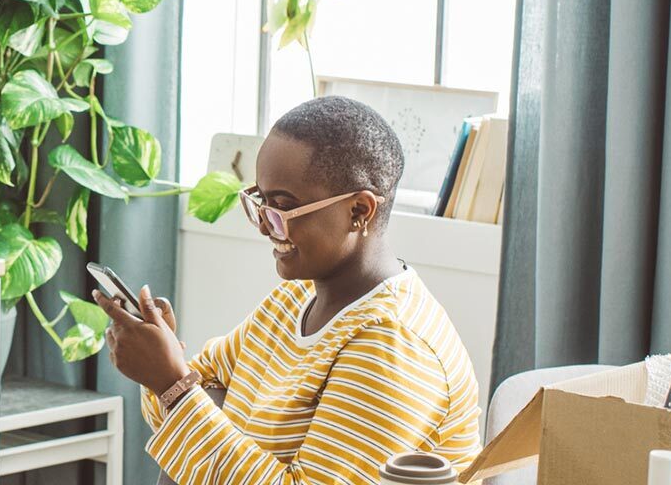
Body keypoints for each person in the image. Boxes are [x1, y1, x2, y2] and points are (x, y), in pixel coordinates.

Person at [96, 96, 481, 483]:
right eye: (260, 203)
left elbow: (190, 409)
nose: (265, 226)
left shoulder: (394, 344)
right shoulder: (295, 300)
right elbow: (198, 396)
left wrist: (172, 384)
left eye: (281, 208)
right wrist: (168, 374)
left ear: (359, 211)